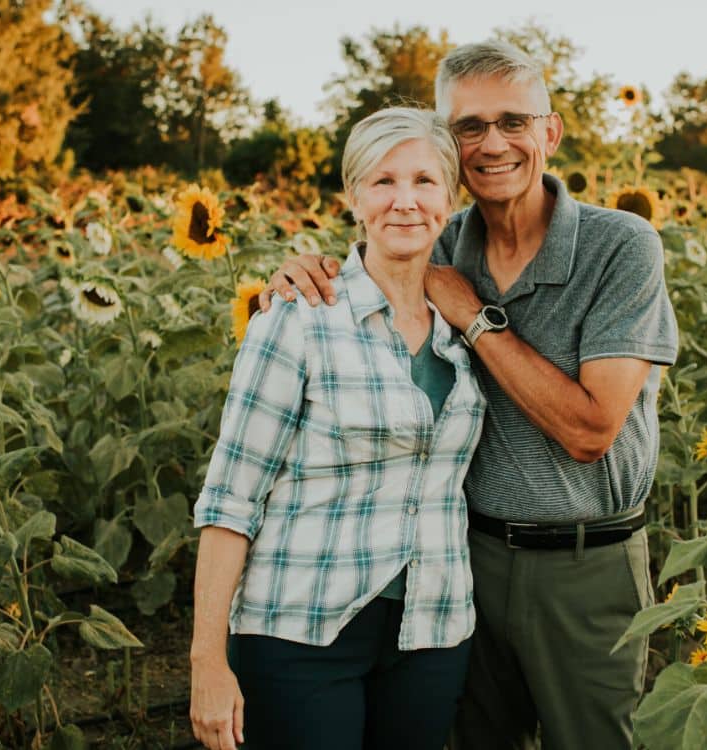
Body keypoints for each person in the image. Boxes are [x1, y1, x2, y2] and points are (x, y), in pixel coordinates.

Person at [259, 41, 679, 750]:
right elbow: (357, 273)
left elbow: (590, 431)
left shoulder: (620, 246)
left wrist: (474, 317)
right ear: (447, 145)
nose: (493, 144)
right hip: (464, 565)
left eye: (513, 122)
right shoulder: (436, 238)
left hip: (587, 566)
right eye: (469, 127)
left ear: (549, 132)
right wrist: (298, 273)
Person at [189, 107, 486, 750]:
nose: (404, 202)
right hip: (300, 625)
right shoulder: (298, 317)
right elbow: (231, 497)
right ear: (353, 198)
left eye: (424, 181)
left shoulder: (465, 327)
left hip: (431, 628)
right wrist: (206, 663)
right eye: (382, 182)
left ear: (451, 197)